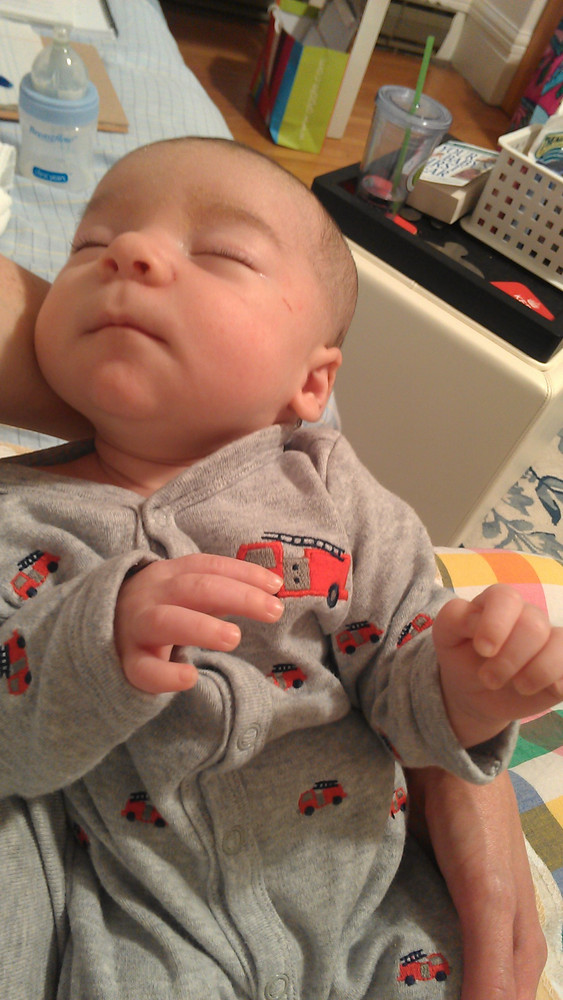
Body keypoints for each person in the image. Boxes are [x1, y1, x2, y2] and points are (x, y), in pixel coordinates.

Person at [0, 137, 553, 999]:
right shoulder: (21, 513)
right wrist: (91, 639)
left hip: (371, 904)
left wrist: (469, 689)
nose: (129, 253)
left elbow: (401, 685)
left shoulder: (334, 497)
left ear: (312, 383)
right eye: (88, 244)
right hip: (139, 930)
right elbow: (13, 744)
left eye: (220, 253)